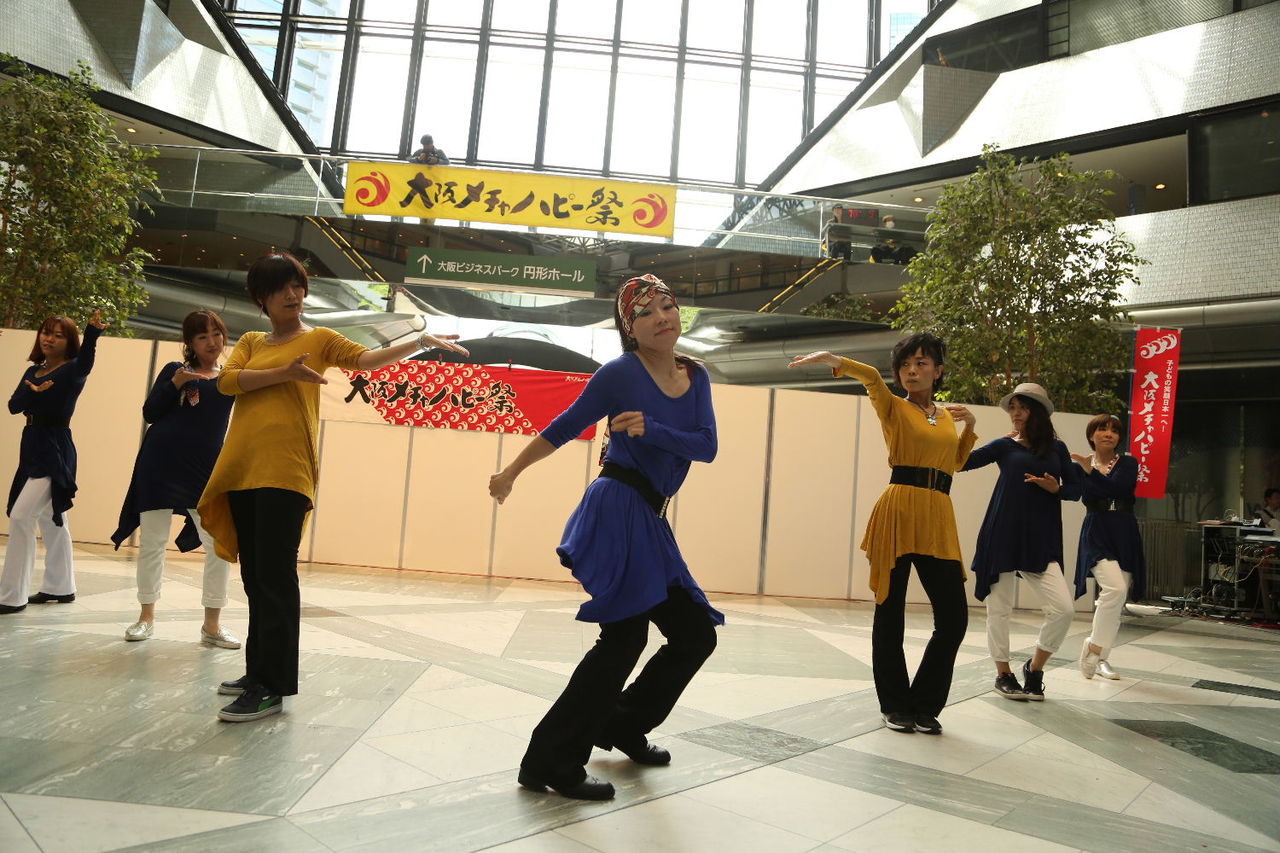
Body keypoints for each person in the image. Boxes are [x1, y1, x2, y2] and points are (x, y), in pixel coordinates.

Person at [197, 253, 468, 723]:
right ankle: (258, 671)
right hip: (242, 471)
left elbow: (365, 359)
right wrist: (284, 373)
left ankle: (272, 686)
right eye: (281, 288)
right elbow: (227, 382)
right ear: (262, 297)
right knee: (256, 579)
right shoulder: (253, 341)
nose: (293, 295)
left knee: (275, 580)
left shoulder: (319, 338)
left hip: (287, 473)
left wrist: (418, 341)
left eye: (298, 286)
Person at [489, 273, 720, 801]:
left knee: (693, 636)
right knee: (623, 640)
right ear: (629, 328)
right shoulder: (620, 373)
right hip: (617, 507)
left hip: (651, 519)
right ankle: (551, 760)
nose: (661, 317)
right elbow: (565, 425)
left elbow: (706, 447)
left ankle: (621, 722)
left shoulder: (696, 375)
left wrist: (650, 429)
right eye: (645, 313)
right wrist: (510, 473)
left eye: (667, 306)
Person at [788, 334, 976, 735]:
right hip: (898, 510)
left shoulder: (946, 416)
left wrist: (971, 427)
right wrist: (835, 358)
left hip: (938, 515)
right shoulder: (893, 407)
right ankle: (894, 705)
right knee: (890, 613)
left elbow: (955, 463)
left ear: (938, 371)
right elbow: (872, 378)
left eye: (921, 363)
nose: (912, 370)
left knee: (954, 619)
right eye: (905, 364)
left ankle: (925, 704)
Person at [110, 309, 239, 648]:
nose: (211, 342)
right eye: (202, 336)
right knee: (153, 542)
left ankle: (212, 625)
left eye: (216, 334)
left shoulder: (229, 378)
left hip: (204, 471)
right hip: (160, 464)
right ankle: (145, 617)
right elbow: (150, 412)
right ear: (190, 343)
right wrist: (176, 385)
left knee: (218, 545)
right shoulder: (175, 370)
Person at [960, 383, 1081, 701]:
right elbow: (961, 462)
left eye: (1022, 407)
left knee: (1063, 609)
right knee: (998, 609)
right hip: (1002, 531)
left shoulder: (1058, 449)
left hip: (1040, 537)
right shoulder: (1004, 445)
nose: (1015, 413)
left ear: (1037, 412)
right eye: (1012, 407)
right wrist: (969, 426)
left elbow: (1075, 490)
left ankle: (1034, 668)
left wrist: (1056, 488)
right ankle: (1003, 673)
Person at [2, 311, 106, 614]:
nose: (49, 338)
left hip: (55, 447)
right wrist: (34, 392)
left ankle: (11, 596)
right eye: (46, 332)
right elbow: (14, 406)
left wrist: (92, 334)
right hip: (32, 444)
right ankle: (61, 587)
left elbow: (86, 361)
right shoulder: (34, 371)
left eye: (58, 335)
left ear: (69, 341)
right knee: (51, 517)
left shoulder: (73, 369)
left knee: (21, 517)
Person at [1071, 414, 1146, 680]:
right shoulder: (1080, 466)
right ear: (1091, 435)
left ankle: (1101, 657)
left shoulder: (1128, 463)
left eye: (1114, 430)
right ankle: (1093, 648)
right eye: (1102, 429)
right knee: (1115, 588)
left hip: (1124, 530)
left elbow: (1121, 488)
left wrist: (1091, 473)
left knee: (1116, 598)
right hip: (1097, 530)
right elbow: (1082, 495)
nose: (1108, 434)